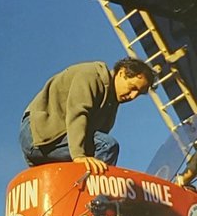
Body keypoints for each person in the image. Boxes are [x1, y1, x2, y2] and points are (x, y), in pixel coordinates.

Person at [20, 58, 155, 175]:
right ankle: (93, 198)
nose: (133, 96)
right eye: (133, 88)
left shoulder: (111, 103)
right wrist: (79, 155)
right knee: (107, 145)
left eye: (139, 93)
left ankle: (77, 192)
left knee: (100, 150)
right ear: (122, 73)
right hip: (36, 135)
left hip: (52, 142)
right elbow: (78, 113)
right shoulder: (92, 75)